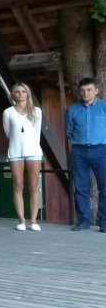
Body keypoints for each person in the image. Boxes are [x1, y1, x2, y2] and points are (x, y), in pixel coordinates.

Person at [64, 77, 106, 232]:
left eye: (89, 90)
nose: (85, 93)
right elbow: (68, 131)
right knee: (80, 187)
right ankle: (83, 221)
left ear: (96, 91)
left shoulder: (104, 107)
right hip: (79, 151)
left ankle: (104, 222)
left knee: (105, 187)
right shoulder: (72, 110)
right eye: (82, 90)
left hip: (102, 150)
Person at [2, 83, 43, 231]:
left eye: (24, 91)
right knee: (18, 185)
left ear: (28, 94)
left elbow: (37, 132)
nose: (20, 94)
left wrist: (31, 145)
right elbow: (8, 133)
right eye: (17, 92)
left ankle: (34, 221)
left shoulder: (36, 111)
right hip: (15, 152)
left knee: (33, 186)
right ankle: (21, 221)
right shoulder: (8, 112)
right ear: (13, 95)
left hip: (33, 151)